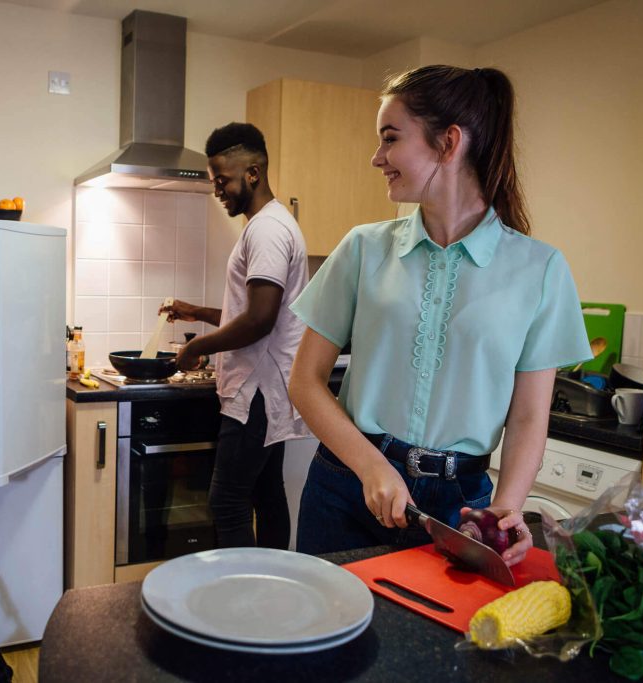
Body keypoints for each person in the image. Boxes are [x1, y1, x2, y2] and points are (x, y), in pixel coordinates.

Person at [288, 65, 592, 566]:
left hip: (461, 510)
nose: (377, 158)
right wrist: (372, 468)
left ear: (449, 142)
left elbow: (529, 415)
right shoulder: (363, 249)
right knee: (323, 638)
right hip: (346, 488)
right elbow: (305, 381)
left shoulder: (541, 269)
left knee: (433, 643)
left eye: (390, 138)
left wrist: (505, 510)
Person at [162, 122, 310, 549]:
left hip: (256, 392)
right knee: (266, 494)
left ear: (253, 173)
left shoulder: (266, 230)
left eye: (222, 179)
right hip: (266, 389)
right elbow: (254, 311)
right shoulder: (272, 224)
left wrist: (196, 347)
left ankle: (241, 604)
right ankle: (271, 591)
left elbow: (260, 319)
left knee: (227, 501)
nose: (218, 189)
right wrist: (200, 313)